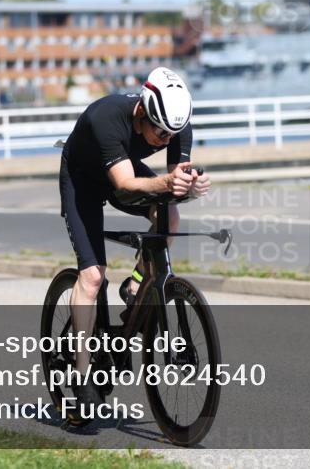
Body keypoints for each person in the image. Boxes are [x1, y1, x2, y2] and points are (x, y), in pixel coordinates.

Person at [58, 67, 211, 418]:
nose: (164, 139)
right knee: (93, 277)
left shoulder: (175, 123)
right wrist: (169, 183)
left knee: (170, 215)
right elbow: (126, 184)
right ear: (141, 112)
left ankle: (137, 285)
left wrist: (192, 186)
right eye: (159, 132)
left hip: (121, 172)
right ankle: (81, 378)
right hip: (83, 180)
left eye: (172, 133)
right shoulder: (106, 117)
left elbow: (176, 180)